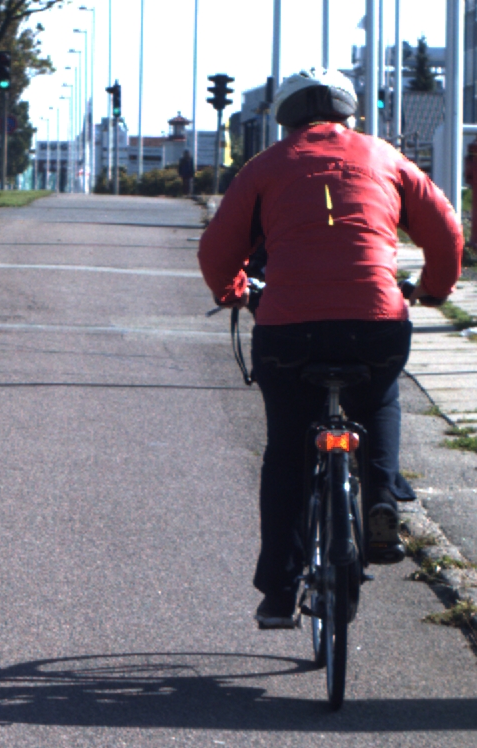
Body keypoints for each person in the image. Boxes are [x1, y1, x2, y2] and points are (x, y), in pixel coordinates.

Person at [198, 66, 463, 629]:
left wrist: (236, 292)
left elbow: (217, 250)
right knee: (379, 396)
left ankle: (278, 592)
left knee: (287, 453)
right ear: (348, 112)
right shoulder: (386, 158)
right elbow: (446, 231)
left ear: (285, 119)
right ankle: (381, 499)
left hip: (288, 328)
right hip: (375, 320)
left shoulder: (265, 167)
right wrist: (433, 289)